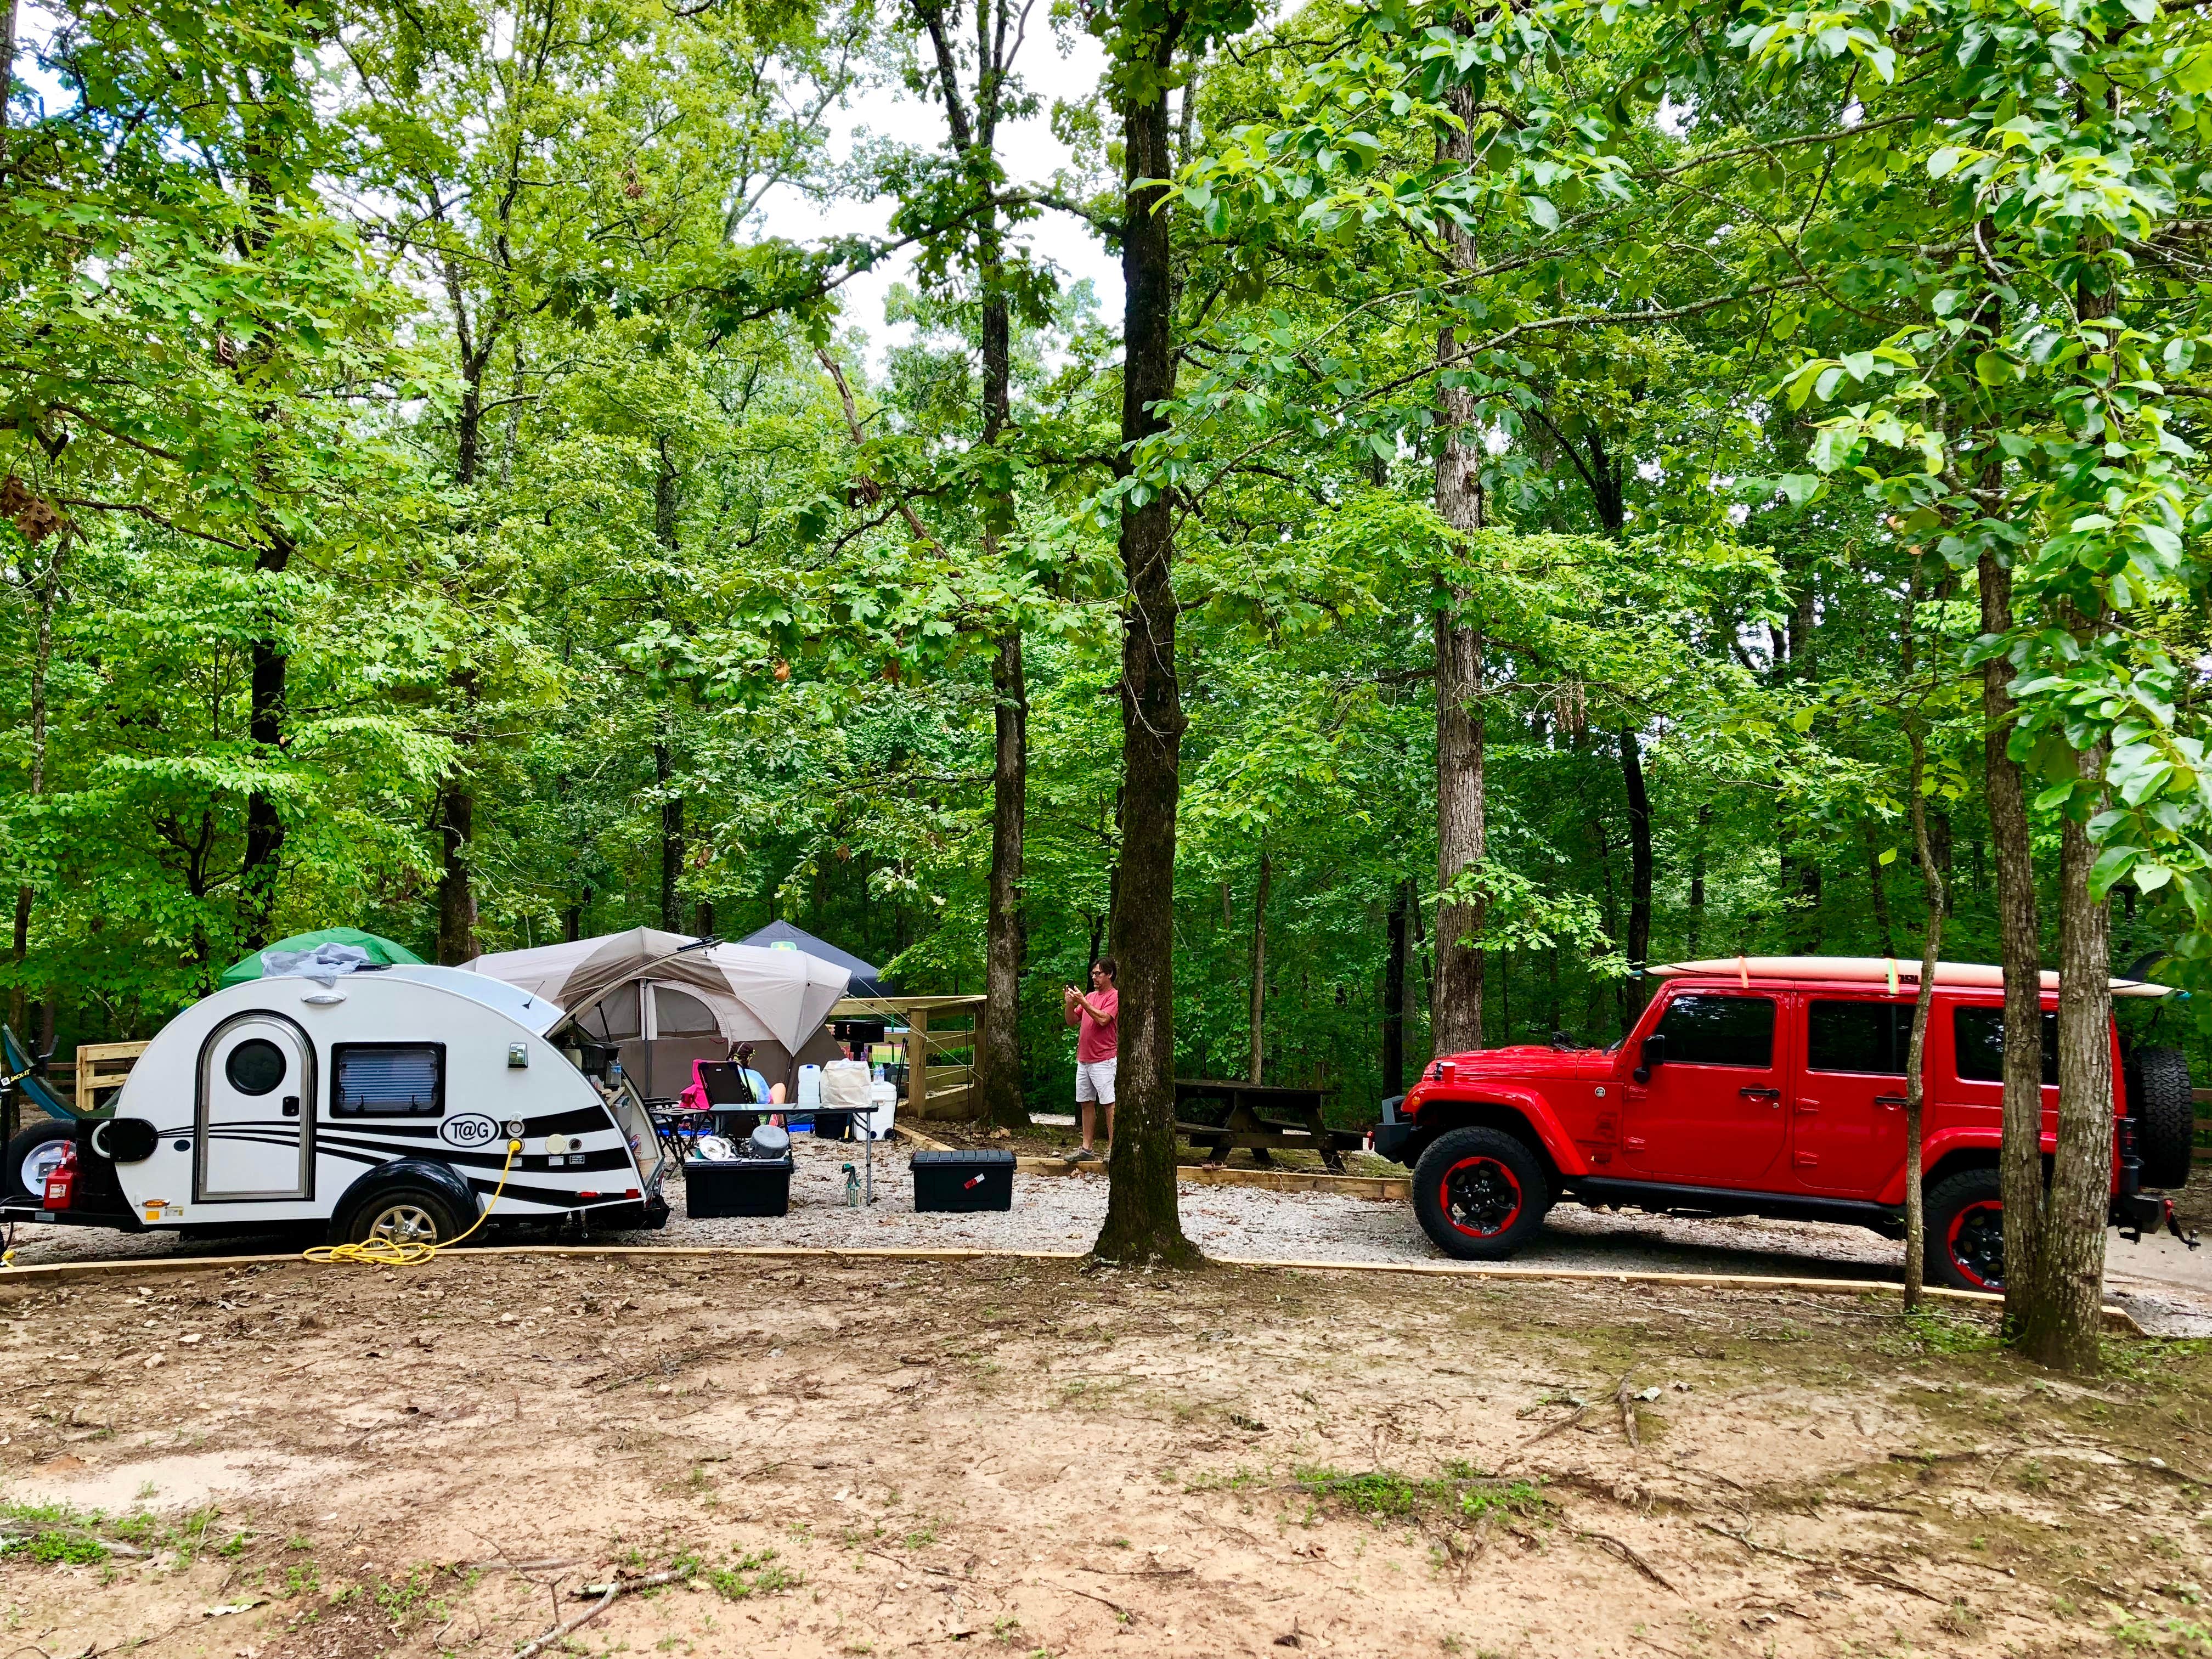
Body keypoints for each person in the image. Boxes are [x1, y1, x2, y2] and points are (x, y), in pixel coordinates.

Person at [1062, 958, 1119, 1161]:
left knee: (1108, 1104)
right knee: (1086, 1103)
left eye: (1098, 974)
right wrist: (1070, 1004)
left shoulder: (1114, 996)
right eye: (1093, 974)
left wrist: (1083, 1002)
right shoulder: (1090, 996)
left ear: (1109, 974)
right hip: (1084, 1059)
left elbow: (1104, 1019)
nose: (1094, 977)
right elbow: (1071, 1021)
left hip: (1104, 1059)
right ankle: (1087, 1148)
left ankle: (1113, 1147)